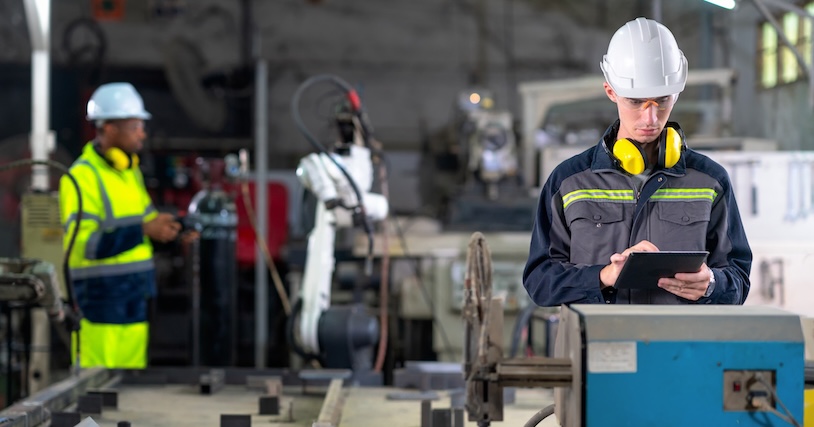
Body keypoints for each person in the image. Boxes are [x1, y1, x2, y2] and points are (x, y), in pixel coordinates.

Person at [522, 17, 751, 306]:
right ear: (611, 92)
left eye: (663, 100)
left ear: (677, 93)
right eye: (634, 101)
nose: (650, 118)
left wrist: (711, 285)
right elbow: (540, 282)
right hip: (595, 345)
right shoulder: (569, 181)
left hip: (679, 347)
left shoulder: (710, 181)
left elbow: (739, 281)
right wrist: (603, 276)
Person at [59, 82, 181, 368]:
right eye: (135, 126)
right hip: (100, 304)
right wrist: (144, 231)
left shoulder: (129, 172)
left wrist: (172, 233)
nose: (142, 133)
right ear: (109, 128)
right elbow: (85, 245)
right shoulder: (81, 178)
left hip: (135, 300)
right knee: (94, 393)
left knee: (128, 394)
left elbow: (148, 222)